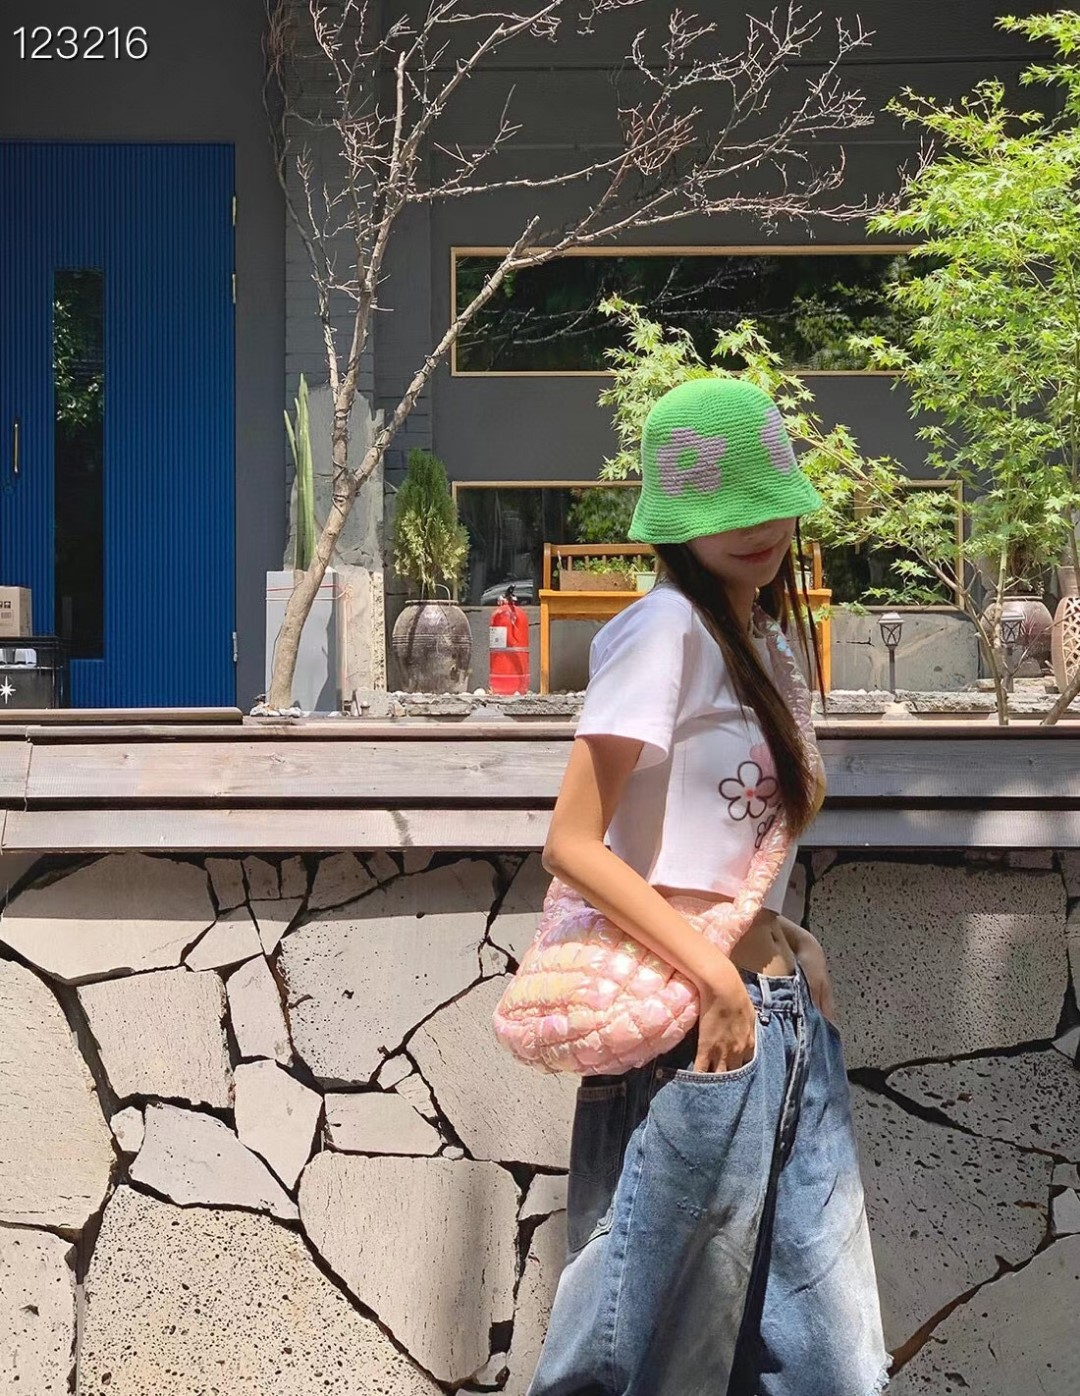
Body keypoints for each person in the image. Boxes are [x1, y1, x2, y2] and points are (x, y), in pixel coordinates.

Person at [526, 377, 889, 1396]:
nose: (759, 528)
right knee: (635, 1358)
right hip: (696, 1024)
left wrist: (785, 941)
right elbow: (572, 843)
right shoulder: (664, 629)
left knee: (829, 1362)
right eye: (727, 509)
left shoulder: (764, 641)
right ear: (677, 521)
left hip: (776, 1016)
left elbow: (710, 843)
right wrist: (719, 976)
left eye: (769, 502)